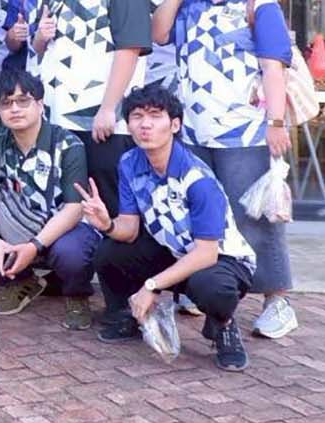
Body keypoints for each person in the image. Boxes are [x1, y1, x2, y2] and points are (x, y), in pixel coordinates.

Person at [152, 0, 298, 340]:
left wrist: (275, 121)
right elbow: (158, 34)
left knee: (254, 217)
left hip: (245, 131)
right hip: (194, 131)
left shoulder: (259, 3)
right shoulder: (191, 4)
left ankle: (277, 301)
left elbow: (273, 66)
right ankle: (206, 286)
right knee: (203, 212)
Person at [82, 84, 257, 372]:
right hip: (171, 250)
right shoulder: (129, 162)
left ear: (174, 125)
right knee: (109, 251)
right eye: (137, 116)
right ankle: (128, 314)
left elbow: (206, 254)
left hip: (221, 259)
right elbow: (129, 228)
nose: (145, 124)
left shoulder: (197, 179)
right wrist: (107, 224)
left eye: (155, 116)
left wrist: (152, 285)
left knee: (213, 288)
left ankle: (224, 324)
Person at [0, 70, 98, 328]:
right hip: (16, 225)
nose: (14, 109)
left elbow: (74, 209)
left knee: (70, 252)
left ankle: (77, 295)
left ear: (40, 104)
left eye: (23, 101)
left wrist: (34, 246)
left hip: (63, 229)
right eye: (6, 103)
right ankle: (22, 281)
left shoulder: (68, 144)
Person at [32, 0, 150, 214]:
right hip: (59, 115)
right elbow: (43, 48)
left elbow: (130, 49)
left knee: (109, 205)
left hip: (102, 120)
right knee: (71, 204)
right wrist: (40, 37)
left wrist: (109, 108)